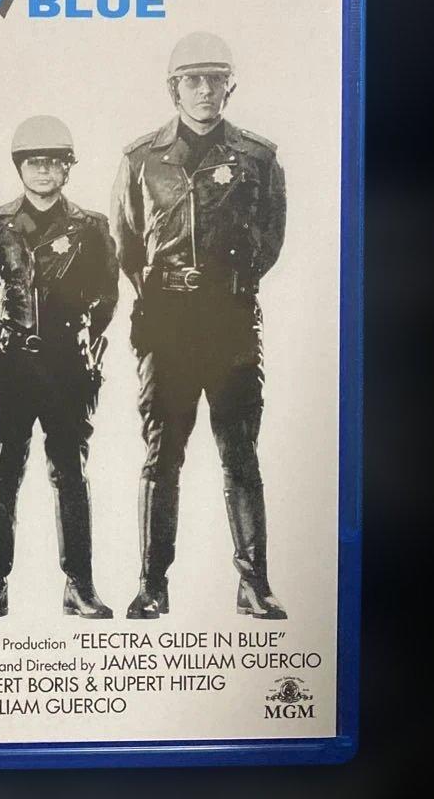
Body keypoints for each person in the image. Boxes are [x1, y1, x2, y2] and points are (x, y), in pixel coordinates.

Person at [111, 32, 288, 621]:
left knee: (240, 453)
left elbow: (270, 238)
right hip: (167, 324)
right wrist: (163, 295)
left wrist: (225, 282)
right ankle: (151, 585)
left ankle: (254, 583)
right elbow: (125, 245)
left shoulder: (258, 158)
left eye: (215, 79)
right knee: (162, 455)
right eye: (193, 80)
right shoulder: (140, 159)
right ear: (174, 88)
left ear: (229, 87)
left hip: (230, 322)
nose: (205, 90)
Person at [0, 116, 118, 620]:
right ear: (20, 167)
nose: (44, 171)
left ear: (68, 168)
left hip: (67, 364)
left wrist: (83, 337)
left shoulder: (91, 227)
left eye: (54, 162)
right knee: (1, 471)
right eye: (34, 162)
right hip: (12, 364)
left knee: (71, 471)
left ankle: (80, 585)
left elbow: (107, 294)